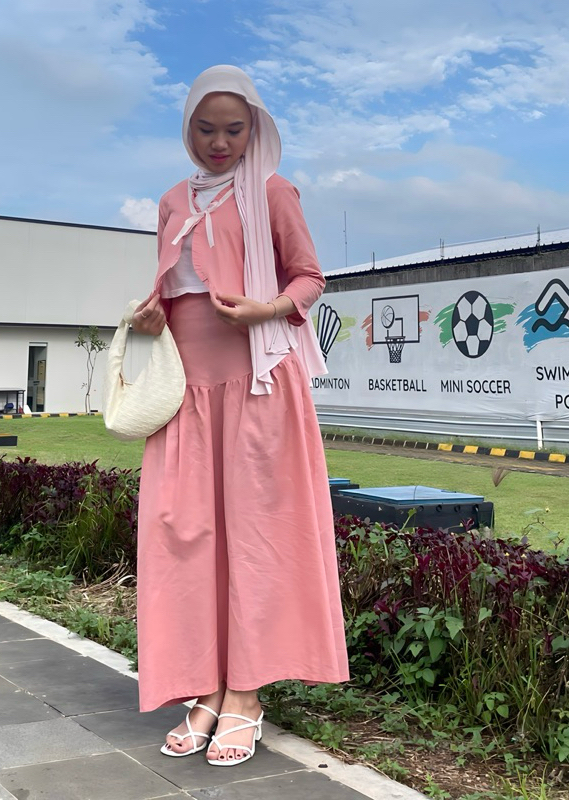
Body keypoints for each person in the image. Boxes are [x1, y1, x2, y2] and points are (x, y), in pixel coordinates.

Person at [131, 64, 349, 767]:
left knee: (257, 537)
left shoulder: (274, 192)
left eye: (234, 129)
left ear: (255, 129)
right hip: (186, 391)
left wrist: (268, 309)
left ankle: (246, 693)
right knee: (185, 534)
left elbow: (310, 277)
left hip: (257, 383)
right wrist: (148, 314)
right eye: (206, 128)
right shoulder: (172, 200)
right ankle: (203, 686)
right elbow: (172, 289)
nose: (219, 142)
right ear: (186, 129)